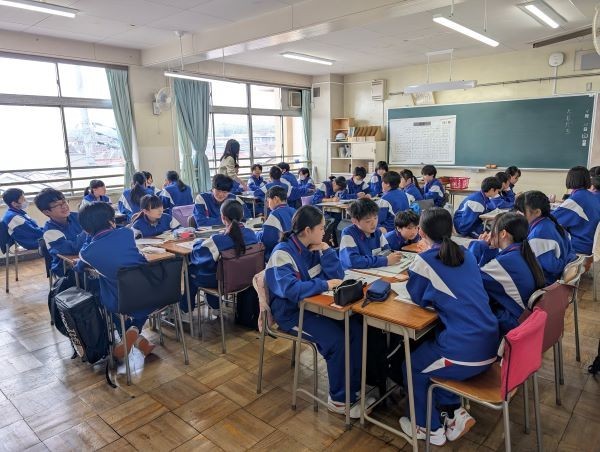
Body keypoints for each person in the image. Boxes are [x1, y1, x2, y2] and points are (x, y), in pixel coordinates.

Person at [399, 208, 499, 446]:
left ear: (421, 233)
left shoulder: (424, 261)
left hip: (465, 353)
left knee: (411, 366)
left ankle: (427, 428)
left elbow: (418, 297)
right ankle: (451, 412)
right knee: (431, 355)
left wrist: (422, 260)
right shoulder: (467, 254)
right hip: (490, 344)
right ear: (452, 229)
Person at [266, 205, 374, 417]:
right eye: (322, 228)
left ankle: (353, 388)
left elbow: (338, 276)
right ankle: (339, 400)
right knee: (336, 340)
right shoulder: (282, 253)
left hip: (316, 307)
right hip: (291, 313)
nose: (325, 232)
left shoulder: (314, 247)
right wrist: (325, 285)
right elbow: (291, 290)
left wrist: (326, 250)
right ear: (308, 230)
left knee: (356, 327)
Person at [77, 202, 154, 359]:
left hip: (121, 300)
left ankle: (132, 333)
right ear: (112, 221)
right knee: (140, 297)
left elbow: (79, 267)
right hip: (153, 291)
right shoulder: (126, 233)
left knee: (101, 291)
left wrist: (88, 239)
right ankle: (136, 331)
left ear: (86, 230)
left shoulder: (86, 253)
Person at [473, 213, 546, 335]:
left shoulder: (506, 262)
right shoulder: (523, 251)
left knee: (471, 308)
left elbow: (471, 280)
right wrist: (489, 250)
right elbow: (486, 272)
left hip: (515, 322)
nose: (489, 234)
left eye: (492, 230)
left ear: (503, 234)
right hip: (528, 317)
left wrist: (478, 246)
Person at [187, 199, 258, 310]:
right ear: (242, 215)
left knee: (191, 269)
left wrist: (199, 242)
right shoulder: (252, 234)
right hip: (245, 279)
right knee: (213, 266)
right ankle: (213, 305)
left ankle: (186, 309)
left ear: (223, 218)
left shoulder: (218, 240)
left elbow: (198, 254)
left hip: (224, 281)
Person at [515, 191, 574, 285]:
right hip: (557, 274)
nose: (518, 214)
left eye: (522, 211)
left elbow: (553, 267)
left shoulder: (538, 236)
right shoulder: (549, 222)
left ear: (537, 212)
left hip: (548, 281)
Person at [34, 188, 87, 276]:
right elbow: (73, 249)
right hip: (67, 270)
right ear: (46, 212)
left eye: (64, 202)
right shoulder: (49, 232)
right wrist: (88, 230)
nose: (64, 206)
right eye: (57, 205)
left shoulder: (78, 216)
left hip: (86, 259)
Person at [339, 198, 403, 270]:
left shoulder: (377, 232)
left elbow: (387, 251)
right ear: (355, 221)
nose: (374, 224)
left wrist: (393, 256)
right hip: (353, 273)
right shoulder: (348, 233)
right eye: (368, 221)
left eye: (375, 218)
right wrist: (385, 260)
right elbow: (353, 261)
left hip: (374, 270)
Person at [554, 166, 600, 255]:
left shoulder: (576, 199)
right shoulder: (591, 196)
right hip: (589, 242)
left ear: (570, 179)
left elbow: (551, 218)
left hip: (578, 245)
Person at [256, 186, 296, 261]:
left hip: (280, 254)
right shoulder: (294, 210)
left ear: (275, 199)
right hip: (295, 250)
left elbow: (268, 240)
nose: (268, 205)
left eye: (268, 201)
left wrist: (257, 235)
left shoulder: (275, 214)